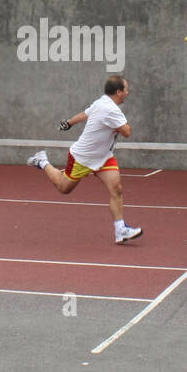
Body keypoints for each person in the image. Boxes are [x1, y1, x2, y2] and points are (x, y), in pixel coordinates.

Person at [27, 74, 143, 244]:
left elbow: (84, 114)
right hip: (82, 158)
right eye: (126, 89)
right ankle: (42, 161)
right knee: (64, 188)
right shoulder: (110, 110)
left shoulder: (101, 102)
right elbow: (127, 132)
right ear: (118, 92)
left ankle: (121, 230)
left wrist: (69, 123)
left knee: (116, 188)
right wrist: (121, 126)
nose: (128, 92)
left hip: (103, 157)